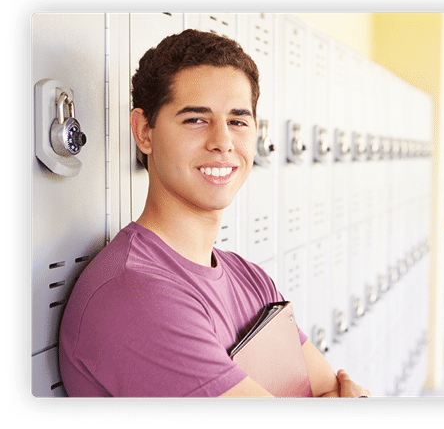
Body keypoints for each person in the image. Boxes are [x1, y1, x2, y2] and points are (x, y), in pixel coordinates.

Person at [59, 29, 370, 398]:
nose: (223, 141)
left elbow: (326, 391)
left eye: (238, 121)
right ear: (144, 132)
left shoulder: (252, 281)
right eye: (195, 119)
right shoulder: (133, 295)